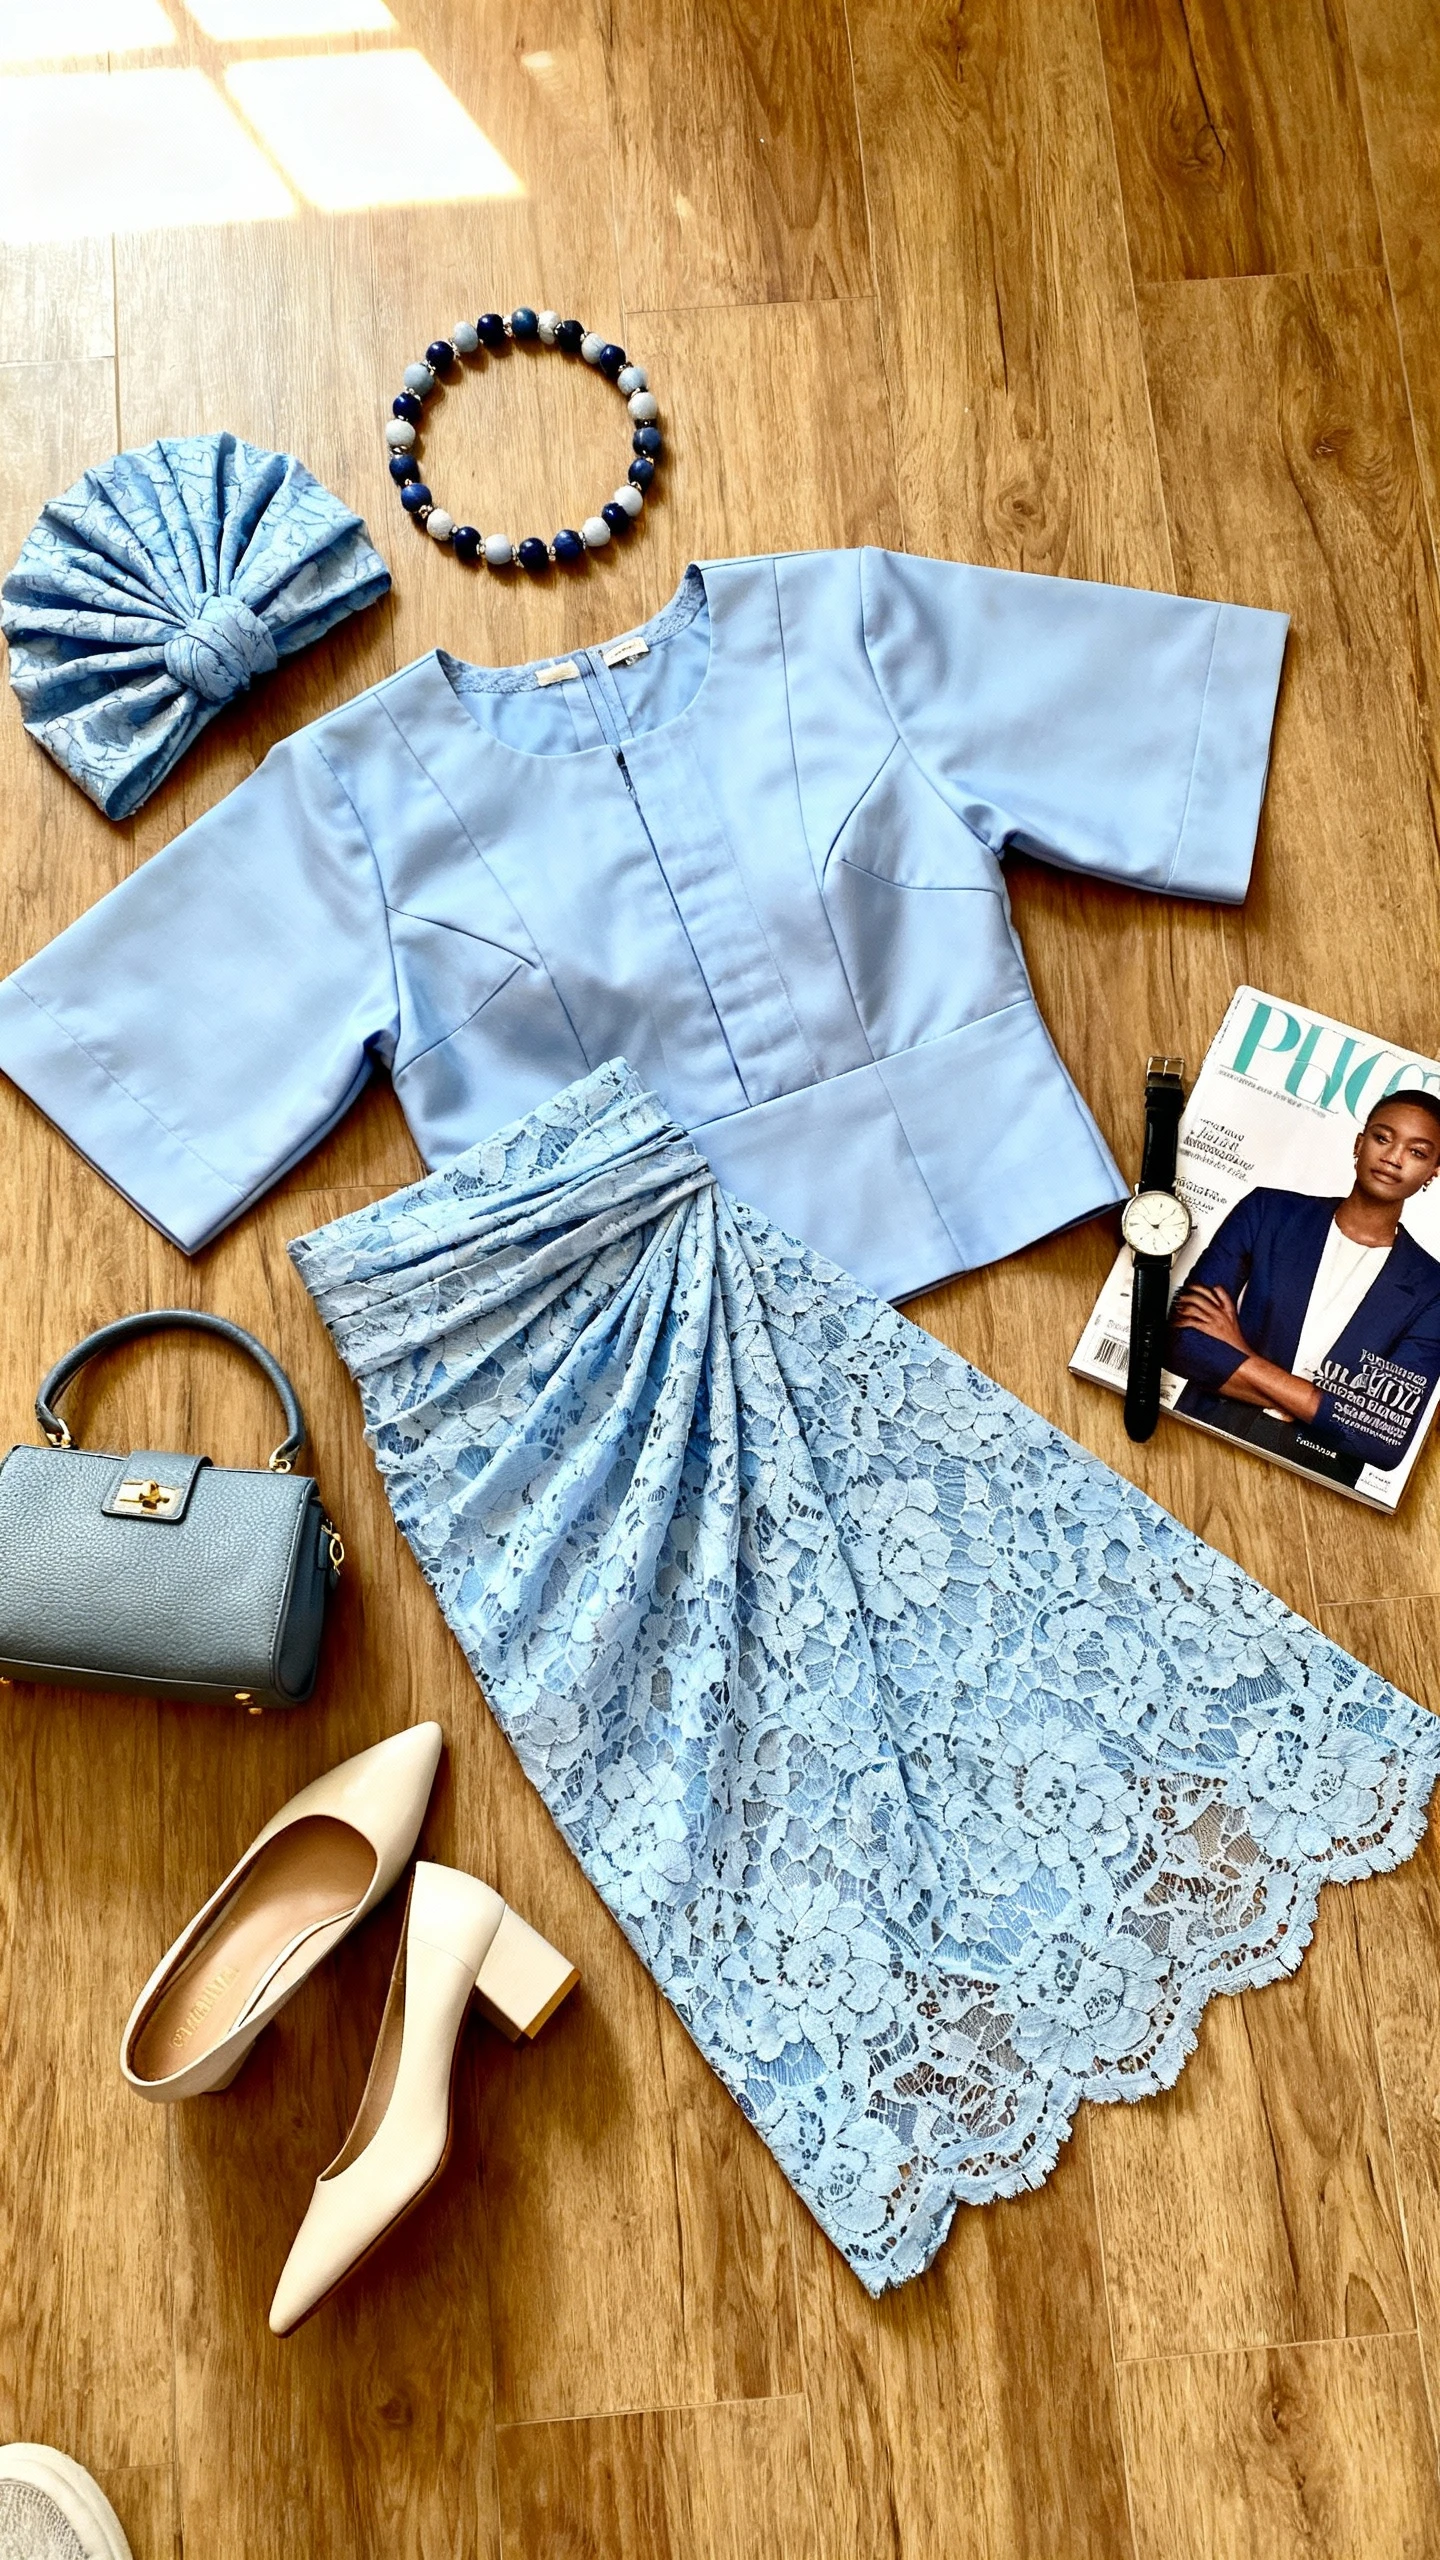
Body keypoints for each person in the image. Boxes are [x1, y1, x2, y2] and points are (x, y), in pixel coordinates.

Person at [1166, 1090, 1440, 1480]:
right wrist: (1330, 1412)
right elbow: (1182, 1343)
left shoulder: (1433, 1288)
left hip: (1314, 1481)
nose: (1393, 1158)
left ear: (1433, 1171)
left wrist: (1243, 1355)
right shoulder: (1268, 1212)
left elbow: (1383, 1442)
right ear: (1359, 1144)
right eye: (1382, 1138)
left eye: (1417, 1152)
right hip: (1198, 1442)